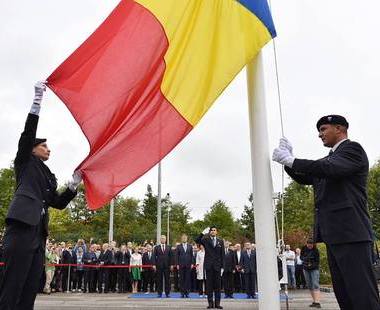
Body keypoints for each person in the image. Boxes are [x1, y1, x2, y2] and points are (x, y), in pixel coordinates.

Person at [273, 114, 380, 309]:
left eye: (323, 129)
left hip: (352, 234)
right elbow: (308, 176)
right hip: (334, 235)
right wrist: (288, 163)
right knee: (345, 295)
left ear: (339, 129)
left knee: (362, 295)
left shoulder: (352, 150)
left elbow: (327, 168)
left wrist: (292, 160)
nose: (320, 135)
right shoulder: (330, 159)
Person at [0, 82, 81, 309]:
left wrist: (73, 186)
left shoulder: (48, 175)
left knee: (30, 285)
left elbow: (57, 203)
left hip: (39, 233)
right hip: (21, 227)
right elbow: (28, 134)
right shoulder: (25, 162)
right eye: (44, 146)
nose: (49, 149)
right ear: (33, 149)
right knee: (13, 282)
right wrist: (37, 101)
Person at [196, 226, 224, 309]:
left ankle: (217, 304)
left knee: (218, 286)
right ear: (209, 232)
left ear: (217, 232)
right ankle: (210, 303)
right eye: (211, 230)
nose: (213, 231)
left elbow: (222, 255)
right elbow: (197, 240)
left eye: (214, 230)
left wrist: (222, 267)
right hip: (209, 266)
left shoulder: (220, 241)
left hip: (217, 267)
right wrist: (202, 233)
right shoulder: (206, 240)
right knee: (209, 286)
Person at [301, 239, 321, 308]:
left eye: (311, 245)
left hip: (314, 269)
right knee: (309, 285)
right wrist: (305, 259)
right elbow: (301, 256)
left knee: (315, 284)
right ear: (306, 244)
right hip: (306, 268)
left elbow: (317, 261)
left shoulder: (316, 250)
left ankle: (317, 302)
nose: (310, 246)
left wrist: (311, 264)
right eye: (309, 245)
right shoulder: (303, 248)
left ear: (313, 244)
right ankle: (314, 301)